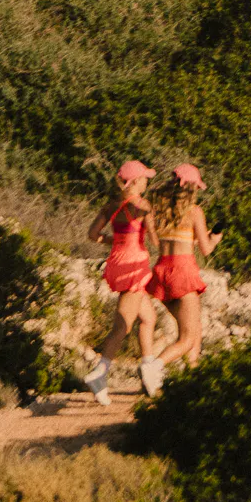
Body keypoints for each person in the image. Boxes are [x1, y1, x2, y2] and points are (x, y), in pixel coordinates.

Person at [82, 160, 159, 407]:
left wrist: (115, 241)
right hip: (134, 266)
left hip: (116, 262)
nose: (147, 182)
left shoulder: (110, 206)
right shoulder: (143, 205)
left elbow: (93, 235)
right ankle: (100, 372)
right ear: (135, 181)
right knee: (122, 325)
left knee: (147, 318)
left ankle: (148, 368)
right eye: (144, 178)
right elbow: (155, 240)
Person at [144, 163, 223, 391]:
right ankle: (154, 366)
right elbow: (206, 249)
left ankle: (193, 377)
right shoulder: (194, 211)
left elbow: (167, 242)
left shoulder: (160, 210)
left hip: (161, 270)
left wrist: (196, 240)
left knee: (193, 328)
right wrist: (214, 239)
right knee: (187, 337)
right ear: (191, 187)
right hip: (184, 272)